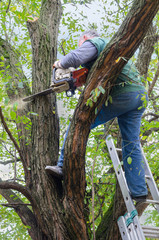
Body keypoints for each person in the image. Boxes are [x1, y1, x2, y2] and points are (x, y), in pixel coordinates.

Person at [45, 30, 148, 200]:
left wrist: (58, 64)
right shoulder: (109, 52)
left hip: (122, 94)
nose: (82, 46)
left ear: (85, 38)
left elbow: (73, 59)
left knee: (79, 122)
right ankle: (138, 191)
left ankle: (62, 165)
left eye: (81, 44)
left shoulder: (96, 43)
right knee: (131, 143)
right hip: (138, 96)